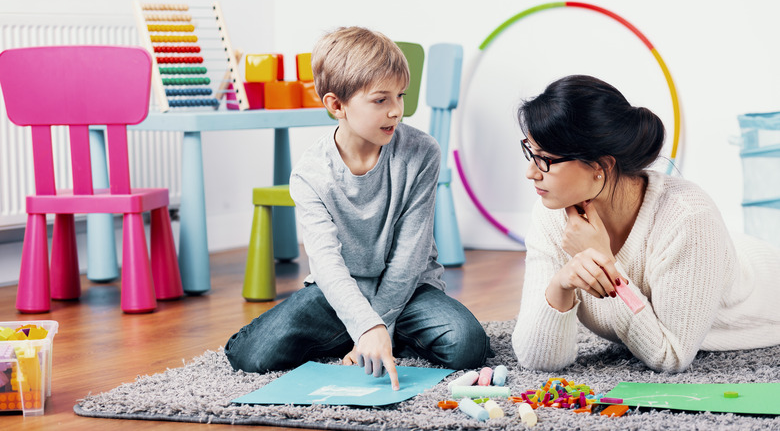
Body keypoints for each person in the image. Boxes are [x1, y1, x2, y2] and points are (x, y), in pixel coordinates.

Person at [225, 26, 490, 389]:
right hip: (338, 291)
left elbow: (410, 256)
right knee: (251, 356)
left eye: (400, 96)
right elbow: (326, 263)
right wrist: (365, 326)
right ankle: (371, 335)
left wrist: (375, 323)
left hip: (410, 290)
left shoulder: (422, 152)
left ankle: (376, 335)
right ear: (336, 105)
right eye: (381, 100)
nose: (396, 111)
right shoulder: (310, 173)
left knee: (468, 345)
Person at [512, 74, 780, 373]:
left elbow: (670, 356)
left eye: (545, 159)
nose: (531, 173)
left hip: (765, 291)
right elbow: (537, 360)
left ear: (600, 166)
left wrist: (604, 264)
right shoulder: (552, 213)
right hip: (721, 251)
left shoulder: (689, 217)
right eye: (530, 153)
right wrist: (560, 285)